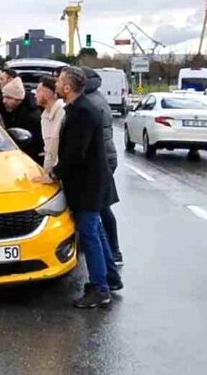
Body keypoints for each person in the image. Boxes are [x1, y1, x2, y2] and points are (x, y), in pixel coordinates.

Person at [52, 67, 122, 309]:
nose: (56, 84)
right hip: (94, 182)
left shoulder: (82, 112)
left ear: (68, 88)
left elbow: (75, 154)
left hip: (87, 185)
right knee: (97, 232)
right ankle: (111, 278)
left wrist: (54, 173)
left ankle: (100, 289)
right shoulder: (81, 108)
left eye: (59, 81)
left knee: (90, 234)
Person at [82, 67, 123, 265]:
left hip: (103, 158)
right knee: (100, 205)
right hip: (106, 156)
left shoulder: (90, 102)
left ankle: (113, 251)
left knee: (100, 206)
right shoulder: (94, 96)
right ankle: (112, 249)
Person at [33, 76, 64, 183]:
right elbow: (48, 152)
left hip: (66, 175)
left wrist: (53, 175)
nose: (35, 95)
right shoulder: (44, 116)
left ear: (46, 95)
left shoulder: (63, 113)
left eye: (37, 91)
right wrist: (47, 175)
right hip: (55, 175)